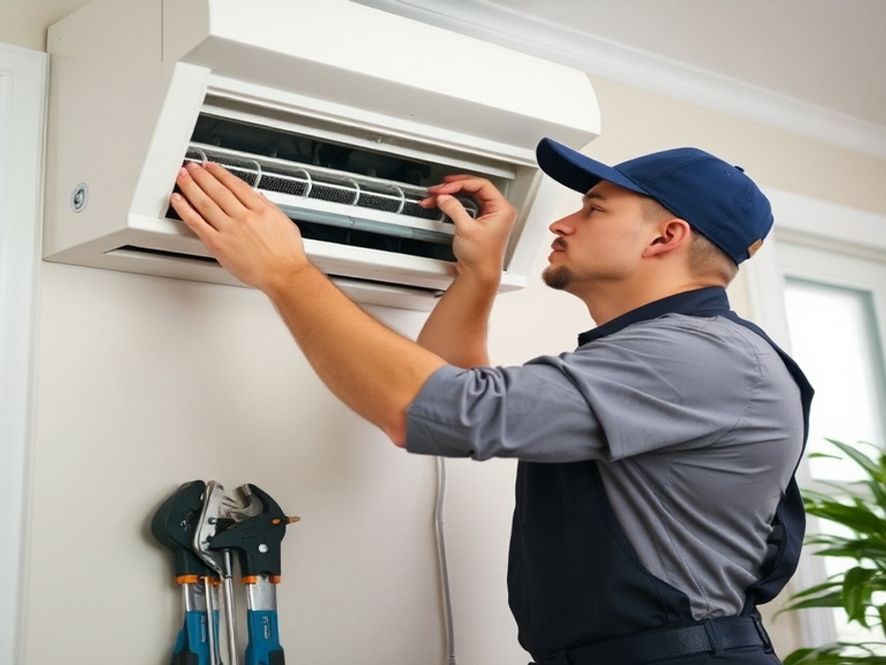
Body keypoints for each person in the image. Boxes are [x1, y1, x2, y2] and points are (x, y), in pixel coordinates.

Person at [170, 137, 812, 665]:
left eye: (594, 209)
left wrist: (285, 272)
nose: (561, 222)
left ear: (664, 237)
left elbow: (435, 411)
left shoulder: (702, 356)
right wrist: (478, 275)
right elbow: (449, 397)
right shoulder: (675, 353)